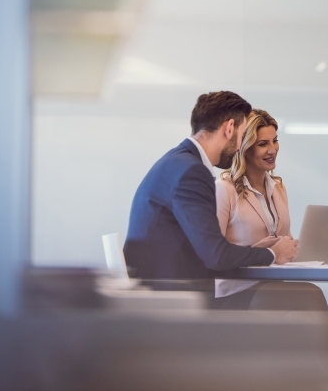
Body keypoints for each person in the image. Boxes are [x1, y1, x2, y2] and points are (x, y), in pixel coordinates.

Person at [123, 91, 299, 302]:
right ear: (229, 128)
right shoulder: (193, 172)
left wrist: (254, 251)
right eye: (242, 136)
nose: (239, 147)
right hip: (168, 297)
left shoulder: (178, 161)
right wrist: (273, 254)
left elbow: (207, 247)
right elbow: (215, 255)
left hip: (161, 287)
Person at [213, 109, 328, 311]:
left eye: (275, 141)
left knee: (310, 292)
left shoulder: (278, 188)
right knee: (311, 296)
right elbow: (212, 255)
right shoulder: (224, 190)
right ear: (244, 148)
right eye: (263, 144)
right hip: (235, 292)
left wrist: (307, 248)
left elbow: (285, 244)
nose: (273, 149)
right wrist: (261, 251)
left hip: (273, 285)